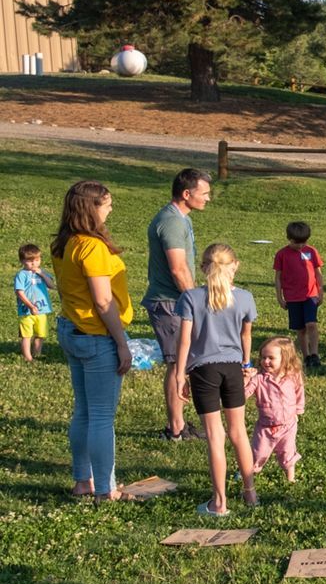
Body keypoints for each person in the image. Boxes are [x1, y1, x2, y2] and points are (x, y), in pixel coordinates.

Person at [50, 181, 132, 501]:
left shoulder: (64, 242)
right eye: (107, 204)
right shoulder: (91, 246)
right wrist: (121, 342)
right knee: (101, 416)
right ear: (91, 208)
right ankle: (105, 489)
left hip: (72, 330)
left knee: (83, 411)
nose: (110, 209)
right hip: (97, 337)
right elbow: (103, 301)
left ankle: (83, 480)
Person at [173, 243, 259, 518]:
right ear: (235, 266)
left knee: (214, 435)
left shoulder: (190, 298)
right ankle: (250, 492)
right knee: (238, 432)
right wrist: (247, 364)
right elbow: (246, 336)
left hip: (203, 370)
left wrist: (179, 373)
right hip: (233, 368)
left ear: (202, 268)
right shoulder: (245, 298)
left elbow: (185, 339)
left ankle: (219, 502)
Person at [144, 167, 211, 439]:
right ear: (187, 193)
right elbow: (178, 269)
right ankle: (176, 428)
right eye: (204, 193)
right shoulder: (171, 222)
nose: (208, 198)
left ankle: (180, 423)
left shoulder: (181, 218)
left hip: (177, 301)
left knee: (182, 363)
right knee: (177, 365)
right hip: (170, 303)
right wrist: (195, 301)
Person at [247, 337, 306, 485]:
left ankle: (290, 478)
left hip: (288, 425)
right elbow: (244, 395)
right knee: (258, 453)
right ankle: (247, 473)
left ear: (285, 359)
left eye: (271, 358)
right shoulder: (259, 379)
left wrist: (298, 411)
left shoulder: (293, 376)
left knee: (288, 451)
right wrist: (247, 379)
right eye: (263, 357)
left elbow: (299, 392)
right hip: (266, 426)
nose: (266, 361)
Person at [271, 222, 325, 371]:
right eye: (296, 243)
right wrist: (279, 297)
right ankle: (306, 355)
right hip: (292, 297)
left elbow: (318, 274)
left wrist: (320, 291)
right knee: (300, 329)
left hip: (310, 295)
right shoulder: (282, 254)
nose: (300, 246)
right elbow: (278, 277)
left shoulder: (311, 252)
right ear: (289, 239)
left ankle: (315, 354)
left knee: (311, 324)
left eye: (304, 242)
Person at [16, 243, 54, 362]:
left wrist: (42, 274)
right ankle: (28, 357)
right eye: (30, 261)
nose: (34, 263)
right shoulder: (21, 275)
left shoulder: (41, 272)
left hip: (42, 309)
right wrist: (30, 306)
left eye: (37, 260)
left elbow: (51, 285)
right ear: (22, 261)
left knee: (40, 333)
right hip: (26, 311)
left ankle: (37, 353)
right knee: (26, 335)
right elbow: (19, 292)